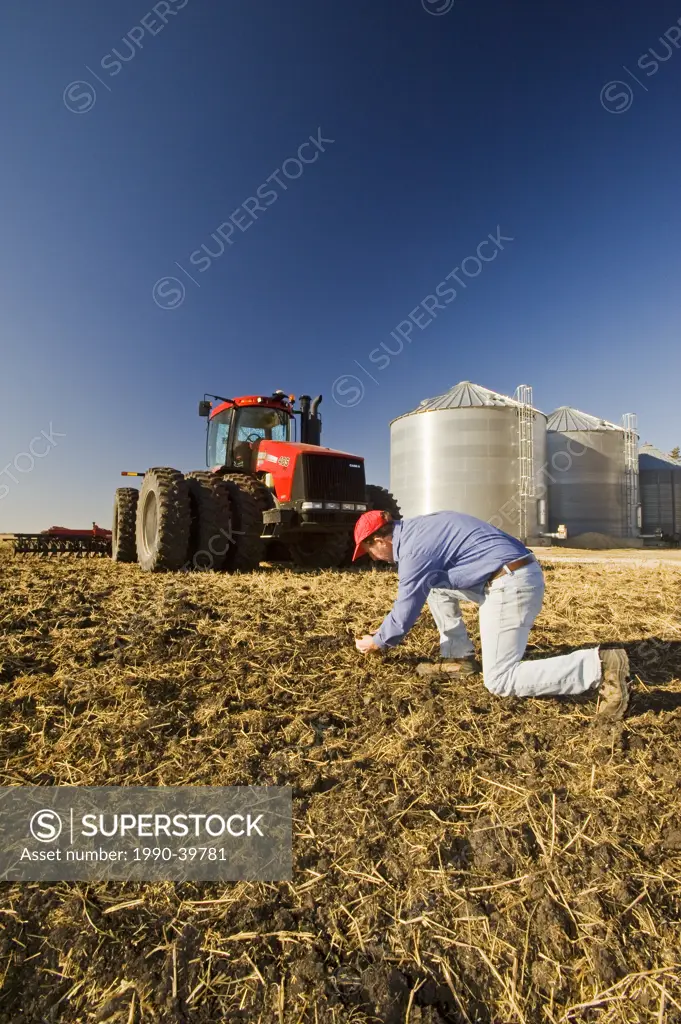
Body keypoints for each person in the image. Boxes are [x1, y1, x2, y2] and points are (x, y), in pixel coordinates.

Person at [352, 509, 631, 719]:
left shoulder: (414, 550)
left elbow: (406, 608)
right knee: (435, 587)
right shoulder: (420, 527)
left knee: (500, 680)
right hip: (513, 572)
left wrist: (378, 641)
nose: (374, 558)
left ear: (380, 540)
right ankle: (458, 658)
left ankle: (599, 666)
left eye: (370, 552)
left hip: (510, 583)